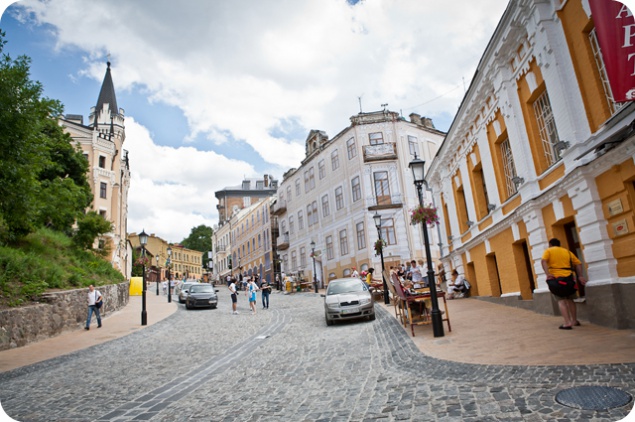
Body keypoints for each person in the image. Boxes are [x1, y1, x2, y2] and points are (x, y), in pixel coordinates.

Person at [541, 238, 587, 330]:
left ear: (550, 244)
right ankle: (574, 320)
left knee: (561, 301)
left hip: (556, 280)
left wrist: (548, 274)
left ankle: (567, 323)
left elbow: (543, 261)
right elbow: (578, 263)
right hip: (570, 279)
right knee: (571, 300)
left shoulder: (548, 251)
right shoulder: (568, 252)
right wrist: (580, 276)